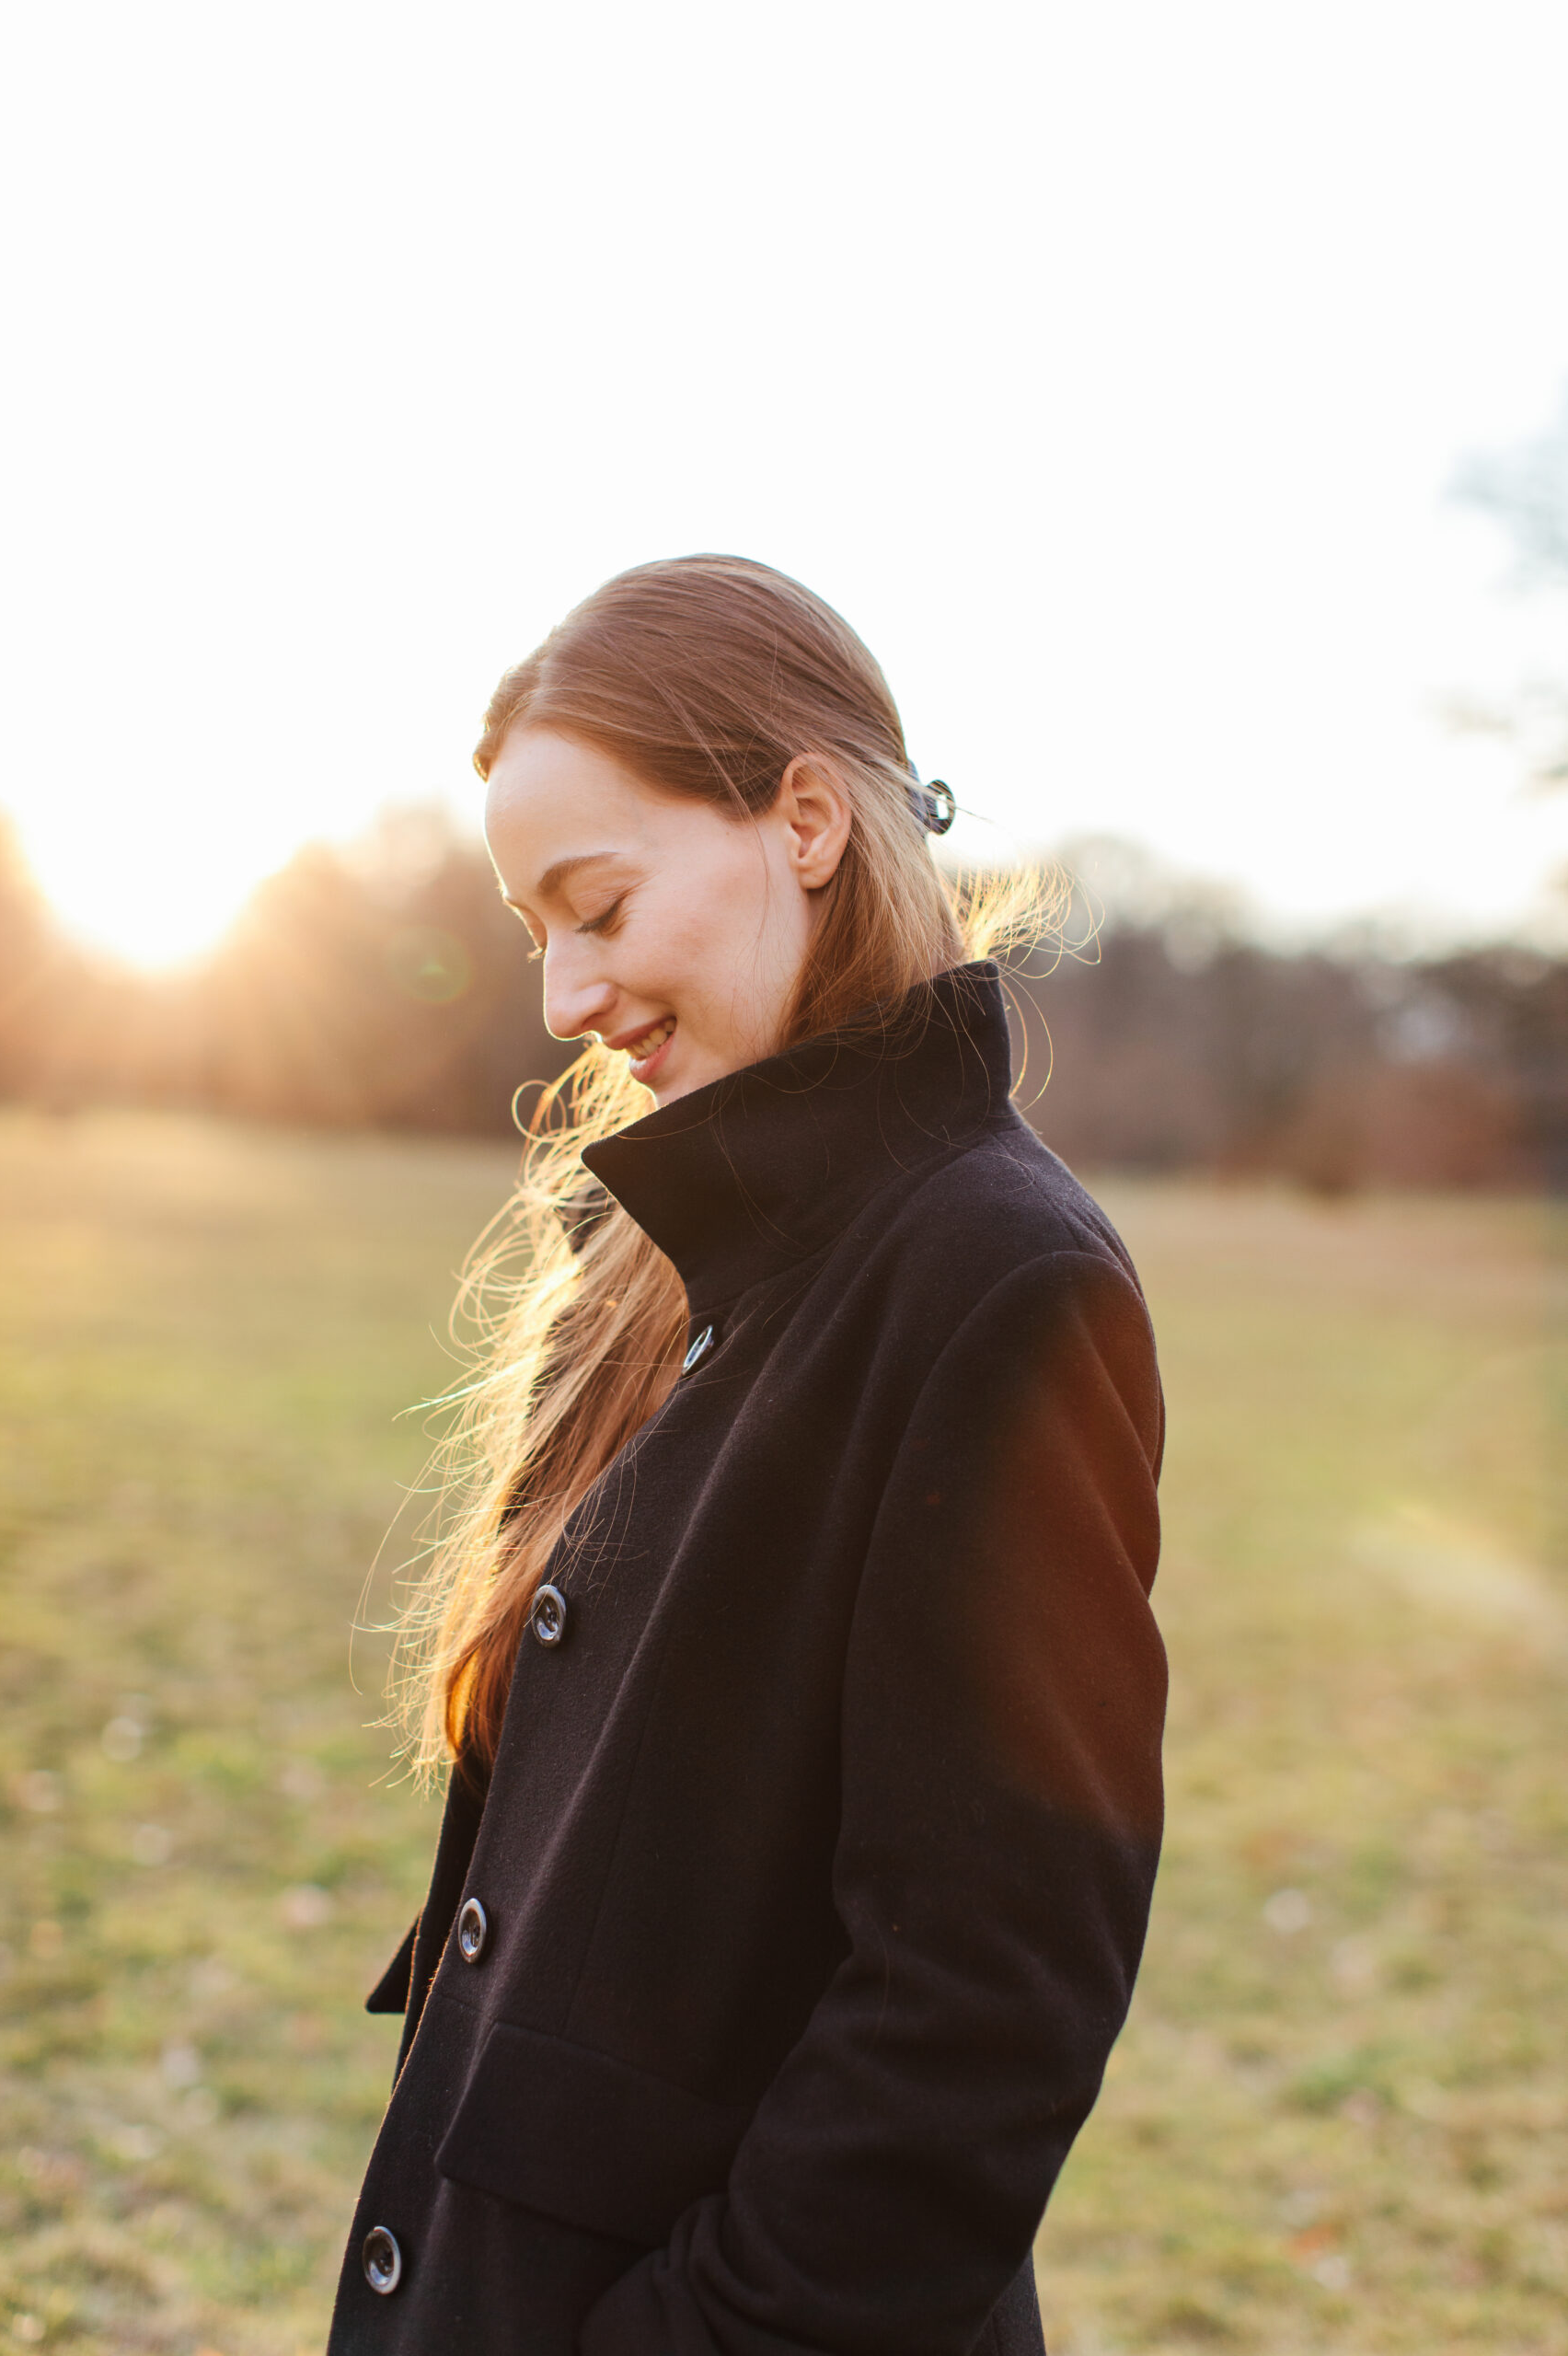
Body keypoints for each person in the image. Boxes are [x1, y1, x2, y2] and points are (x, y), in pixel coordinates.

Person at [329, 555, 1166, 2356]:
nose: (562, 991)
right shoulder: (658, 1256)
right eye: (531, 926)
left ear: (799, 816)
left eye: (599, 903)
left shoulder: (994, 1278)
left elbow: (978, 2009)